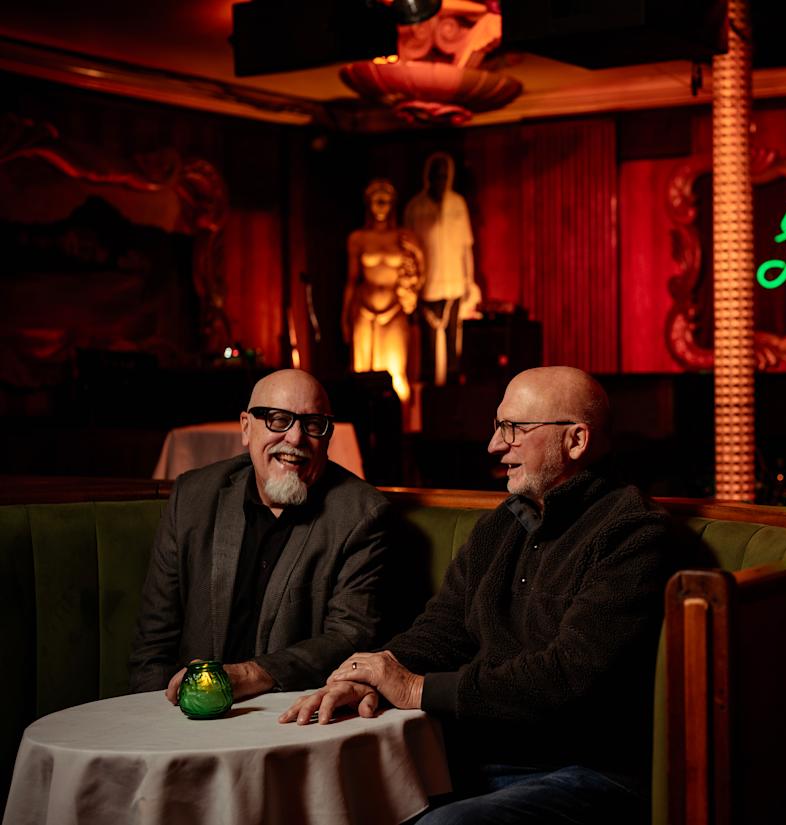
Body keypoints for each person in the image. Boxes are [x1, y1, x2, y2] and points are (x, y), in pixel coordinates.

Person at [281, 367, 682, 825]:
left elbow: (569, 678)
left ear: (575, 440)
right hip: (477, 758)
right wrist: (370, 674)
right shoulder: (501, 525)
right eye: (497, 427)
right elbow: (443, 630)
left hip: (587, 770)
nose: (494, 445)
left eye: (513, 429)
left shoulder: (632, 532)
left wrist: (414, 689)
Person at [130, 368, 393, 703]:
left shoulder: (361, 514)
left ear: (327, 438)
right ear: (246, 427)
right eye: (278, 420)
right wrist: (156, 717)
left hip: (290, 715)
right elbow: (153, 645)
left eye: (313, 424)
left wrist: (249, 674)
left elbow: (350, 637)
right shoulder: (192, 498)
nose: (295, 438)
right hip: (186, 712)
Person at [344, 178, 424, 403]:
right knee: (361, 373)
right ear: (368, 204)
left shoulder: (405, 237)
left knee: (397, 373)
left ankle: (401, 421)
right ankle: (362, 419)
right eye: (376, 201)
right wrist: (344, 315)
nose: (381, 206)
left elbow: (419, 276)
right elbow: (352, 279)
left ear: (392, 205)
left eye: (386, 201)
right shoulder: (358, 238)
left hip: (394, 309)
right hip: (364, 308)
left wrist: (418, 254)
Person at [404, 152, 479, 386]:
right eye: (436, 175)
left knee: (453, 337)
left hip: (454, 282)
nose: (440, 180)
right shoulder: (415, 207)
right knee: (428, 341)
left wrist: (469, 280)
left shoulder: (457, 204)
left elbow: (466, 246)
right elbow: (408, 251)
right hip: (427, 285)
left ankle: (452, 383)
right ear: (428, 176)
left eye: (444, 176)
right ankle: (429, 387)